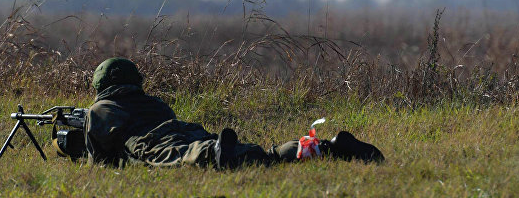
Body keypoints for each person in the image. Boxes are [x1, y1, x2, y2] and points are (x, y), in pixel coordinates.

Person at [84, 57, 384, 169]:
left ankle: (217, 152)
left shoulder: (100, 109)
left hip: (152, 142)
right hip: (187, 129)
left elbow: (100, 160)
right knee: (261, 157)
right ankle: (323, 146)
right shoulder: (156, 103)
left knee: (192, 156)